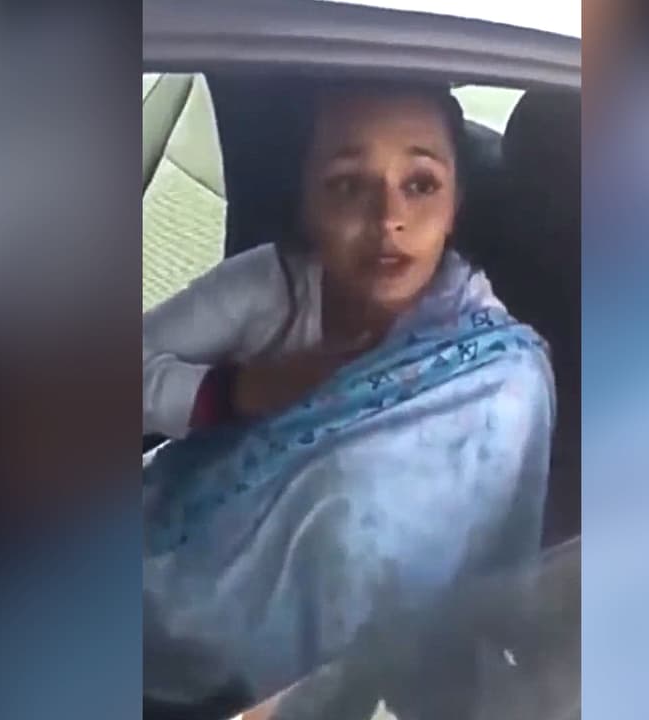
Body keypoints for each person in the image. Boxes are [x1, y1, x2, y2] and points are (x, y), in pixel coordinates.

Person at [142, 80, 556, 707]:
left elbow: (481, 591)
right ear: (307, 202)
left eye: (421, 185)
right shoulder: (276, 286)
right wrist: (227, 394)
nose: (388, 218)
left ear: (455, 204)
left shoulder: (501, 380)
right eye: (347, 186)